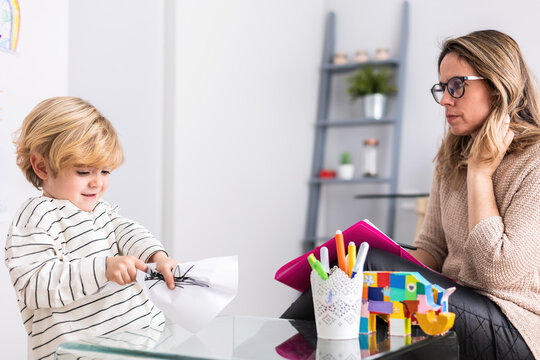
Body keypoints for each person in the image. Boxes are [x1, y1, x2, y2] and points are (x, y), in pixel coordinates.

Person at [282, 30, 539, 359]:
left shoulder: (535, 160)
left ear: (497, 84)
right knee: (356, 264)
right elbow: (432, 250)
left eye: (457, 85)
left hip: (515, 328)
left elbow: (497, 273)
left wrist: (480, 172)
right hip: (453, 308)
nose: (446, 99)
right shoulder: (452, 155)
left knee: (369, 265)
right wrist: (382, 266)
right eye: (443, 88)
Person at [4, 96, 178, 360]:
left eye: (105, 172)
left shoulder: (101, 212)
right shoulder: (35, 216)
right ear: (41, 166)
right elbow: (35, 285)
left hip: (138, 346)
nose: (97, 183)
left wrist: (158, 258)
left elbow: (130, 232)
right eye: (84, 172)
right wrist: (103, 268)